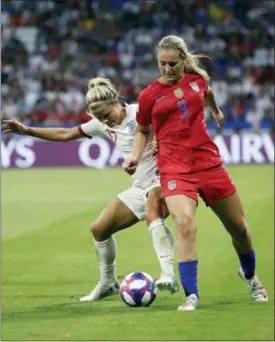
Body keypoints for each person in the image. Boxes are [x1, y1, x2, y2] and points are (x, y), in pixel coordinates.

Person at [123, 35, 268, 311]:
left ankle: (250, 276)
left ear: (183, 60)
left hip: (208, 163)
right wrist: (134, 156)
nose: (167, 69)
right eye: (162, 64)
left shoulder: (196, 80)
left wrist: (215, 110)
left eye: (172, 64)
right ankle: (191, 295)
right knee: (185, 224)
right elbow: (142, 130)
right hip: (174, 166)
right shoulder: (148, 95)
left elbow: (208, 91)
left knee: (239, 229)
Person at [2, 77, 179, 302]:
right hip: (140, 185)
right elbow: (66, 134)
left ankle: (167, 274)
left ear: (116, 101)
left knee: (153, 211)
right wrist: (27, 131)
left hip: (164, 179)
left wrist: (162, 141)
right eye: (100, 118)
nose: (106, 121)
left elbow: (172, 125)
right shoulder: (101, 123)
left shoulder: (140, 112)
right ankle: (108, 283)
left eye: (107, 115)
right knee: (99, 228)